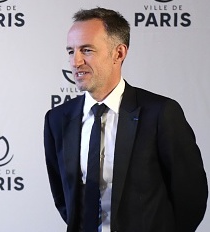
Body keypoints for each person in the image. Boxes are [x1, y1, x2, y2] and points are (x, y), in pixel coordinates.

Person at [44, 7, 207, 232]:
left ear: (118, 53)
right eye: (71, 51)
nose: (76, 61)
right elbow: (64, 199)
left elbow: (191, 196)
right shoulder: (57, 119)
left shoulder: (160, 113)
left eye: (87, 50)